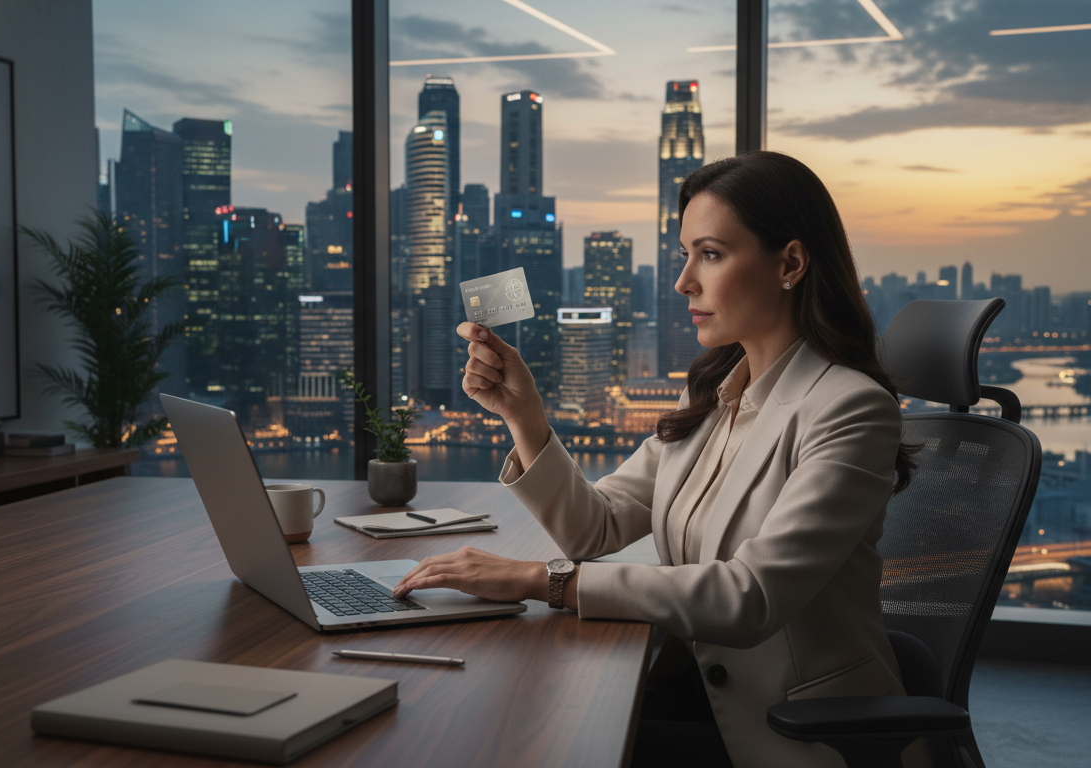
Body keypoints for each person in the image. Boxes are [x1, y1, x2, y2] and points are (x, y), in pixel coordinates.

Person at [393, 151, 919, 768]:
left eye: (711, 254)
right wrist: (524, 414)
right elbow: (597, 524)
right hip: (695, 689)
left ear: (791, 263)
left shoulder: (850, 409)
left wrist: (542, 581)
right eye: (685, 255)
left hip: (796, 736)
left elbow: (748, 597)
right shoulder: (713, 392)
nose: (683, 282)